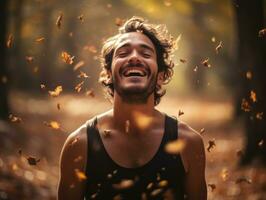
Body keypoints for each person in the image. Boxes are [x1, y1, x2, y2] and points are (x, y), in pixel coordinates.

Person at [57, 16, 207, 200]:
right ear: (108, 74)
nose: (134, 57)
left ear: (161, 76)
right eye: (123, 53)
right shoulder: (80, 145)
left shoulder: (188, 143)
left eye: (145, 54)